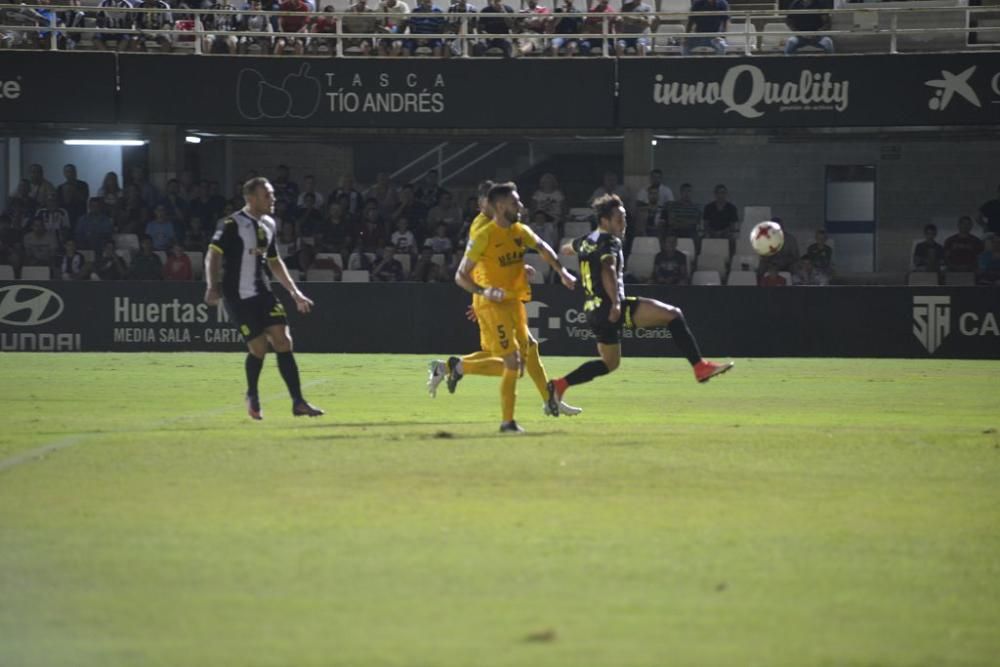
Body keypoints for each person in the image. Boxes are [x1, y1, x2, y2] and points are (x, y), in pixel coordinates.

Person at [546, 195, 733, 413]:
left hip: (592, 312)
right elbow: (608, 269)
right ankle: (699, 367)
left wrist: (569, 259)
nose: (624, 223)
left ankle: (559, 385)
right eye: (619, 219)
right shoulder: (610, 242)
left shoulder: (587, 240)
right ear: (604, 221)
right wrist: (616, 303)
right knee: (673, 314)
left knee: (610, 363)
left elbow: (568, 248)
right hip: (609, 307)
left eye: (624, 218)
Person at [450, 182, 577, 433]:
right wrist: (483, 291)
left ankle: (458, 367)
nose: (521, 206)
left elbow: (542, 247)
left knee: (523, 356)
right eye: (515, 202)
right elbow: (460, 275)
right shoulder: (483, 234)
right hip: (491, 303)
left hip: (513, 302)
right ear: (499, 206)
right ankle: (508, 421)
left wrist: (561, 272)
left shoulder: (519, 230)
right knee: (512, 362)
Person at [205, 177, 324, 420]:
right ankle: (252, 394)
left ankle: (298, 402)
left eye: (272, 194)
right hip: (238, 297)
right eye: (267, 195)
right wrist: (212, 286)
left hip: (263, 293)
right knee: (259, 347)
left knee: (283, 341)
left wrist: (294, 292)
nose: (273, 199)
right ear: (251, 199)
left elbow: (274, 260)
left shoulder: (269, 223)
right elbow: (213, 255)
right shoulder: (231, 224)